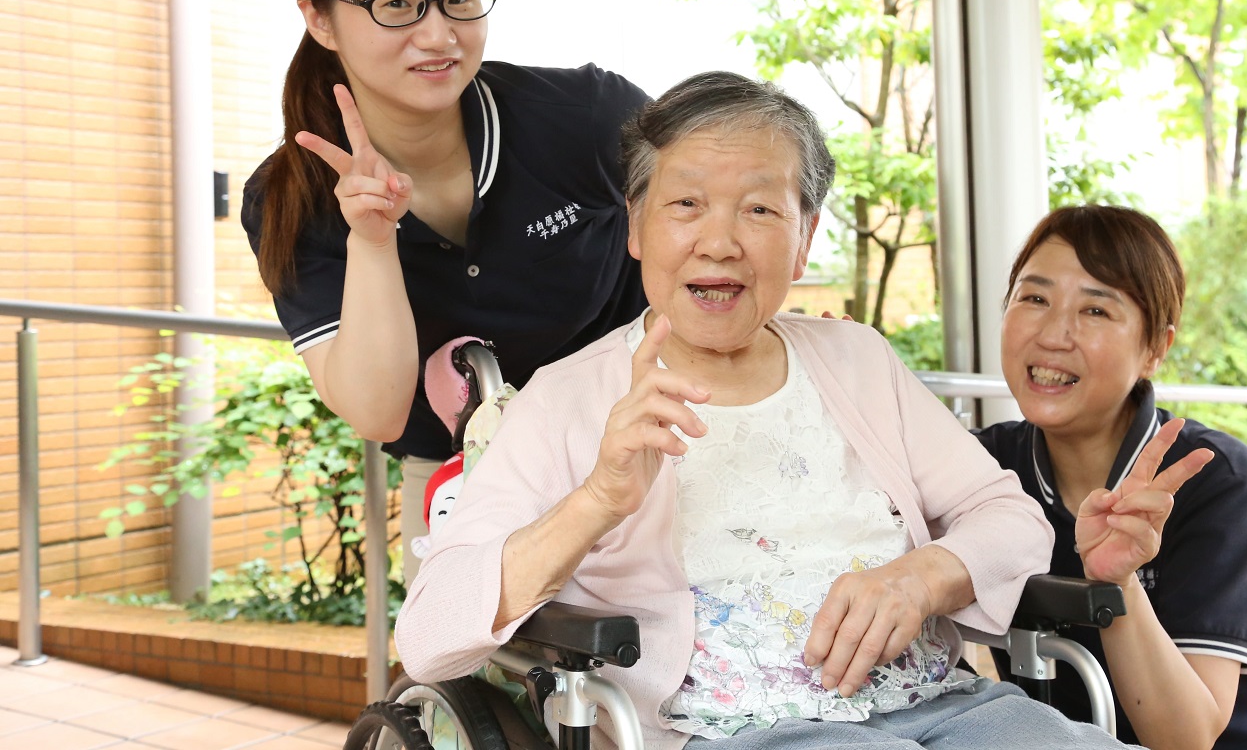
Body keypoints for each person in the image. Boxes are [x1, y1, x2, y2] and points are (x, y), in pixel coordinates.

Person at [396, 72, 1134, 750]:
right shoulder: (567, 397)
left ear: (805, 237)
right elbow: (429, 636)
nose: (719, 242)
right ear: (636, 226)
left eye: (759, 209)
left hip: (946, 705)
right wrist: (597, 500)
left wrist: (923, 576)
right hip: (739, 733)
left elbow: (1007, 518)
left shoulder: (858, 360)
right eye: (686, 204)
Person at [241, 0, 650, 577]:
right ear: (319, 18)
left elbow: (708, 210)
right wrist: (371, 241)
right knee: (470, 671)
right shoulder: (293, 195)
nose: (438, 34)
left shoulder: (587, 117)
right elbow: (378, 412)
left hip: (639, 449)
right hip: (459, 483)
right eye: (397, 5)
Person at [974, 205, 1247, 750]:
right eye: (1034, 299)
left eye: (1097, 310)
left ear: (1156, 348)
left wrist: (1119, 584)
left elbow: (1188, 738)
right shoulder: (981, 470)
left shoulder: (1217, 482)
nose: (1055, 334)